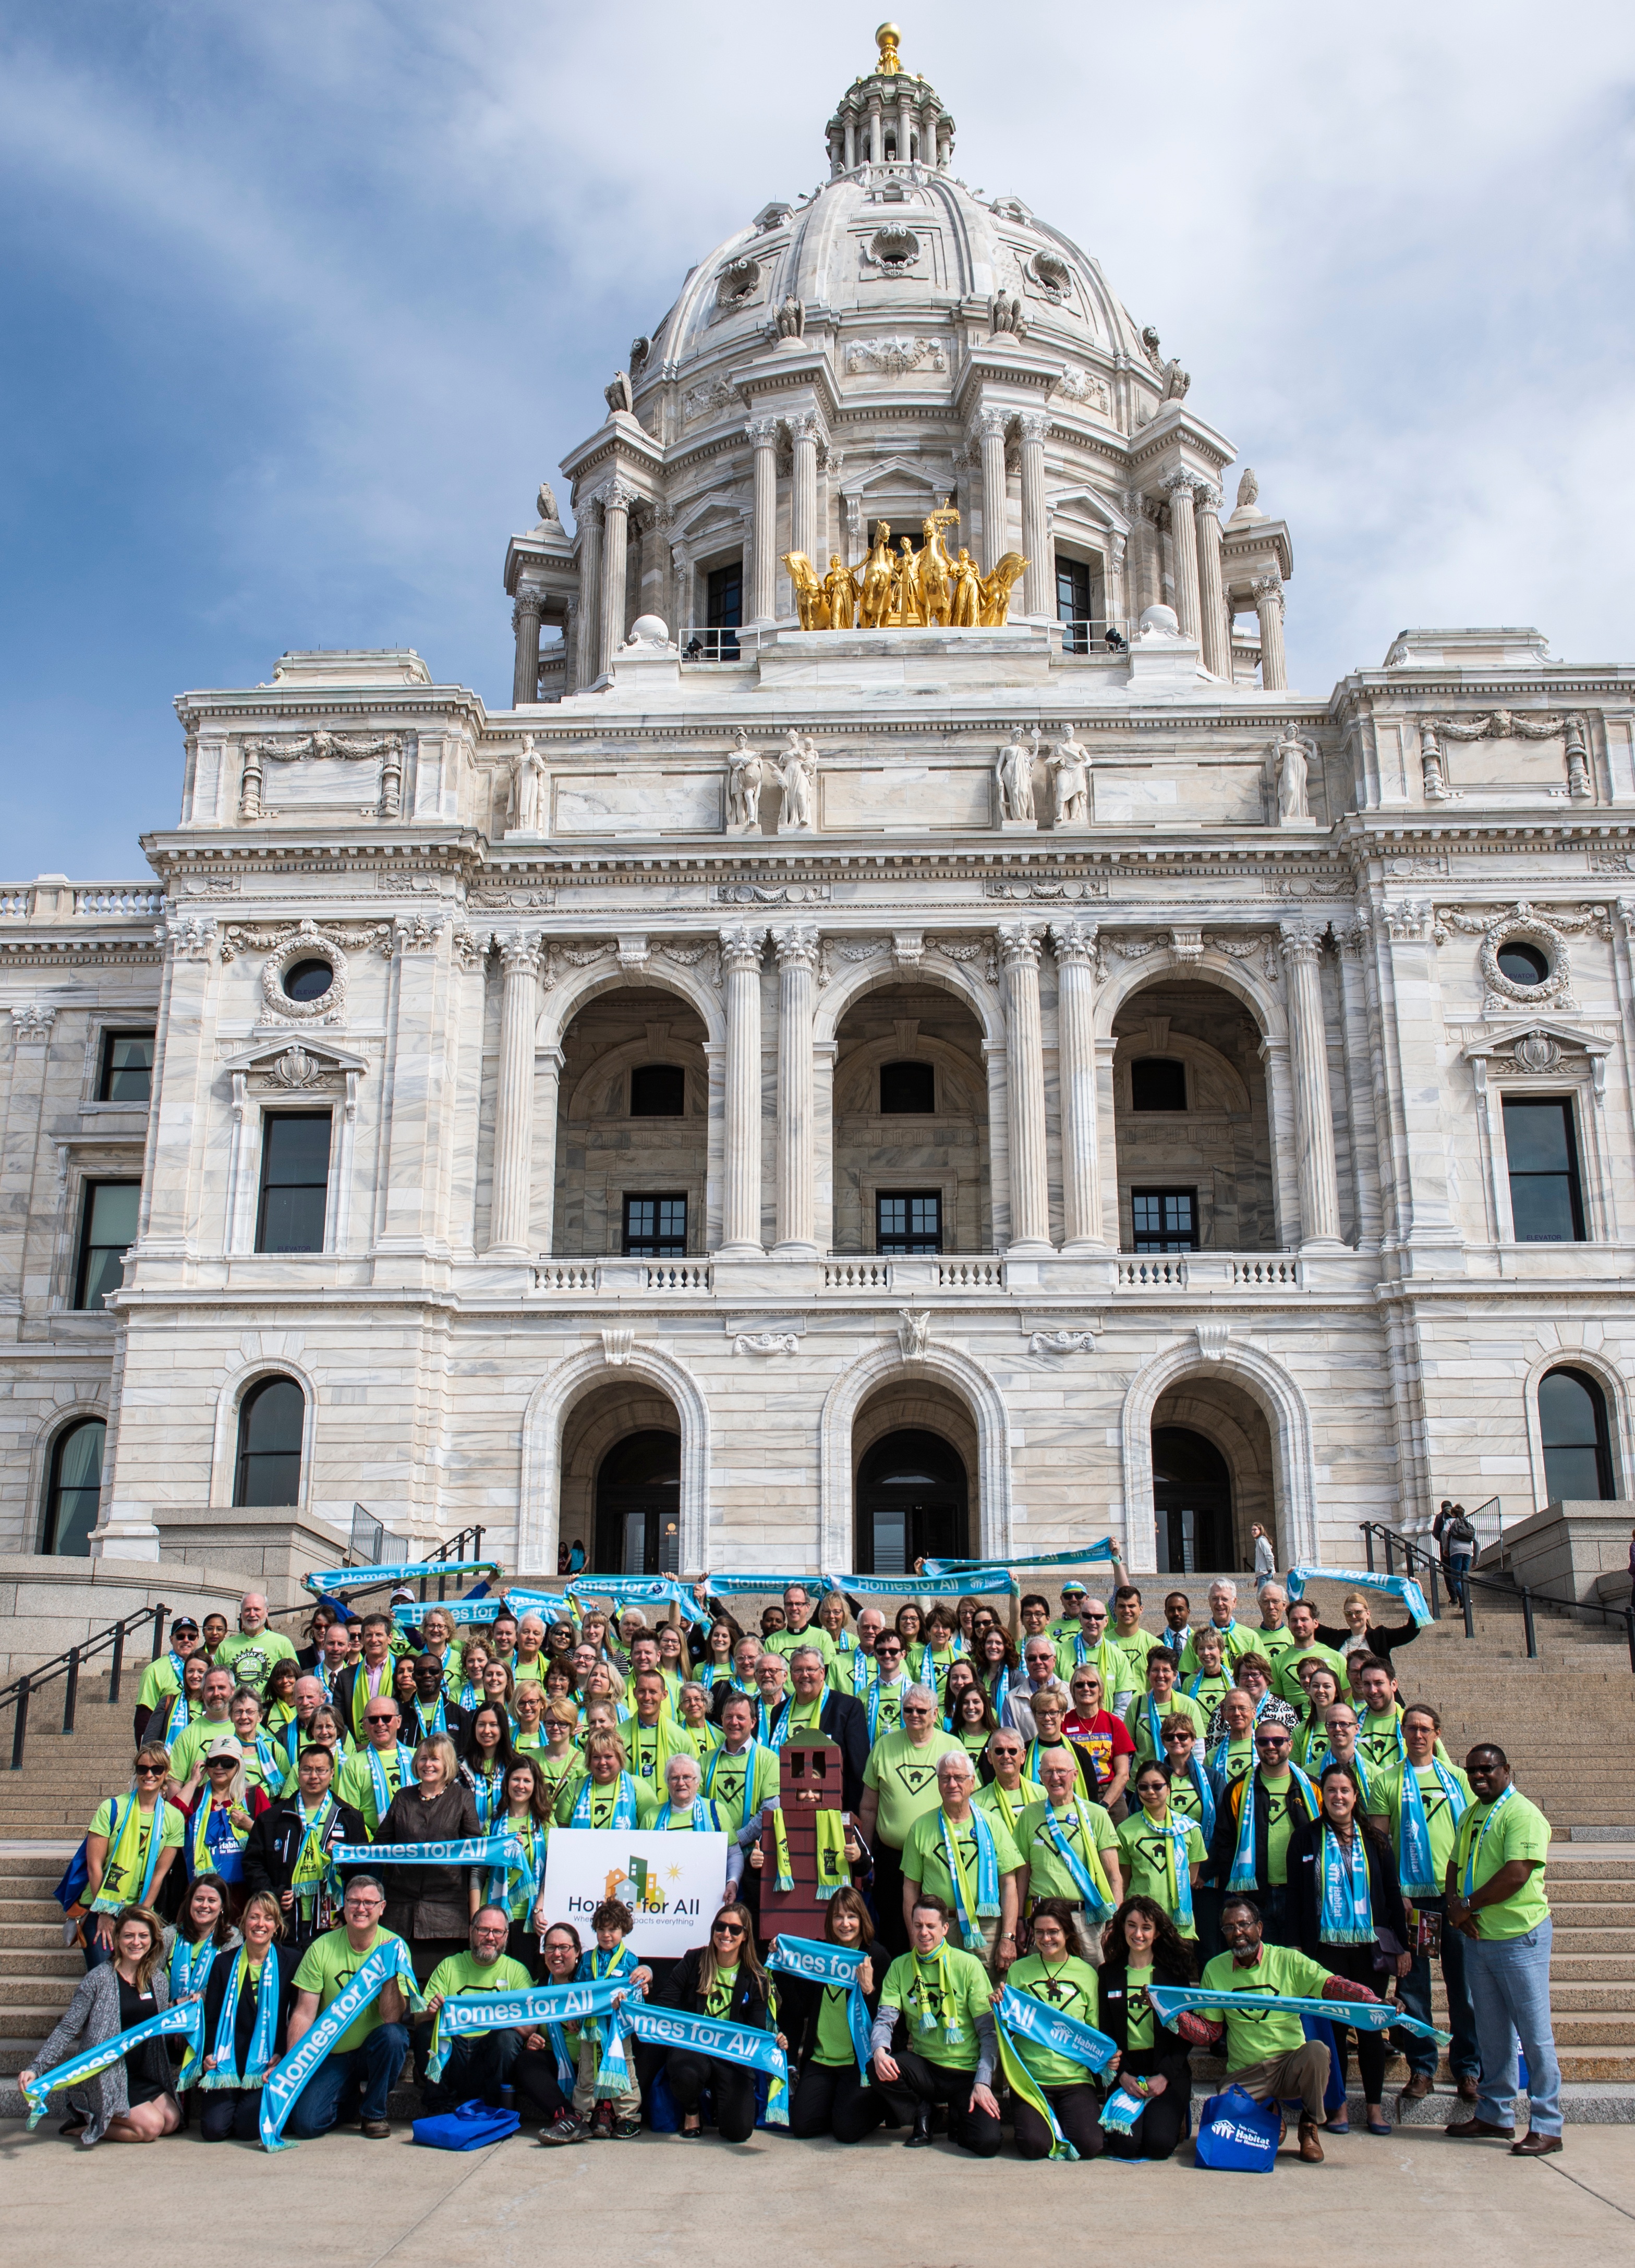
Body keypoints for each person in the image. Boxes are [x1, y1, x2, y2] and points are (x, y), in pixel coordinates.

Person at [1192, 1893, 1385, 2164]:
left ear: (1259, 1927)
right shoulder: (1214, 1969)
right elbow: (1210, 2032)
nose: (1238, 1932)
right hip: (1246, 2072)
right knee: (1224, 2113)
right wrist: (1173, 2016)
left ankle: (1309, 2126)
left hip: (1289, 2065)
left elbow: (1331, 1985)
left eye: (1244, 1924)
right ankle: (1268, 2112)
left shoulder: (1288, 1961)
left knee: (1318, 2051)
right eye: (1229, 1927)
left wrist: (1373, 2001)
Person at [1444, 1743, 1563, 2155]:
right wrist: (1453, 1908)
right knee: (1491, 2033)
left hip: (1519, 1937)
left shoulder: (1522, 1814)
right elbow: (1454, 1865)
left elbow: (1516, 1874)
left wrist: (1467, 1906)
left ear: (1506, 1770)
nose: (1478, 1776)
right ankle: (1495, 2114)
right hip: (1479, 1937)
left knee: (1533, 2034)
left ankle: (1547, 2123)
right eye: (1472, 1770)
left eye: (1487, 1769)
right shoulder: (1471, 1813)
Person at [1289, 1762, 1412, 2134]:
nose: (1337, 1797)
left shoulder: (1374, 1839)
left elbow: (1392, 1894)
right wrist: (1297, 1951)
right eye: (1330, 1791)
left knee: (1372, 2028)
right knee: (1333, 2031)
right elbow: (1296, 1898)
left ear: (1355, 1796)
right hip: (1325, 1950)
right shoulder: (1305, 1838)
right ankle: (1338, 2106)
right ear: (1321, 1796)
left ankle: (1374, 2108)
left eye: (1344, 1791)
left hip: (1369, 1950)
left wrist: (1404, 1947)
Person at [20, 1903, 183, 2146]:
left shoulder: (157, 1980)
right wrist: (36, 2068)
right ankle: (85, 2125)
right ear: (117, 1939)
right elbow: (68, 2028)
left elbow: (153, 2027)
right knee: (152, 2128)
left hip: (137, 2074)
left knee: (171, 2121)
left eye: (143, 1936)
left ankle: (108, 2119)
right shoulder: (98, 1979)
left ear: (153, 1940)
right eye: (128, 1936)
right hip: (105, 2075)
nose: (136, 1942)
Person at [1383, 1703, 1479, 2108]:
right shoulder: (1387, 1780)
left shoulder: (1458, 1779)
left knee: (1464, 1988)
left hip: (1453, 1897)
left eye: (1424, 1728)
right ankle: (1421, 2068)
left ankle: (1468, 2069)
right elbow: (1380, 1843)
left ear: (1437, 1733)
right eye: (1410, 1728)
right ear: (1401, 1733)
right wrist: (1395, 1892)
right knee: (1416, 1989)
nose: (1417, 1735)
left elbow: (1477, 1835)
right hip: (1415, 1900)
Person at [871, 1893, 1001, 2156]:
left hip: (965, 2072)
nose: (924, 1933)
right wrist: (879, 2050)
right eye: (918, 1925)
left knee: (986, 2143)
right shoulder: (899, 1967)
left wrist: (983, 2082)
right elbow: (885, 2019)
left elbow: (989, 2033)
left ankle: (957, 2115)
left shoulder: (969, 1965)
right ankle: (924, 2111)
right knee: (877, 2068)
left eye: (931, 1926)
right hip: (926, 2068)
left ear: (945, 1928)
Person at [285, 1874, 413, 2140]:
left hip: (372, 2052)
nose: (361, 1908)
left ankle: (374, 2113)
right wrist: (291, 2069)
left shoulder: (396, 1946)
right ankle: (350, 2101)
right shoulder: (321, 1947)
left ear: (382, 1907)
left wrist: (388, 1971)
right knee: (306, 2125)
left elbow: (392, 2017)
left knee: (395, 2037)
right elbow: (303, 2013)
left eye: (369, 1902)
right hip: (331, 2054)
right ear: (343, 1906)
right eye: (354, 1901)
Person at [656, 1903, 784, 2143]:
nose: (726, 1934)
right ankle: (692, 2110)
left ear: (745, 1935)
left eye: (735, 1930)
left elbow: (757, 2028)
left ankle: (718, 2099)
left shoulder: (756, 1977)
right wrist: (632, 2002)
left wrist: (775, 2038)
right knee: (685, 2076)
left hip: (732, 2056)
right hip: (692, 2047)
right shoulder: (694, 1960)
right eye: (721, 1927)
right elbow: (665, 2003)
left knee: (738, 2133)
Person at [778, 1885, 889, 2144]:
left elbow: (887, 2018)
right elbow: (799, 2008)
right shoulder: (820, 1955)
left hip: (857, 2062)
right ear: (830, 1921)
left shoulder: (876, 1956)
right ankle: (838, 2105)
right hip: (821, 2061)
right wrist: (782, 1967)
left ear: (862, 1919)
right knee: (802, 2127)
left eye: (852, 1916)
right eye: (838, 1917)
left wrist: (869, 1989)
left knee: (846, 2132)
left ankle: (880, 2105)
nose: (845, 1924)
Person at [858, 1685, 963, 1955]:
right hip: (892, 1859)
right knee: (895, 1930)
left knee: (937, 1928)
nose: (914, 1714)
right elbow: (869, 1807)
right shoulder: (884, 1746)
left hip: (940, 1856)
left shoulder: (951, 1746)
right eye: (908, 1710)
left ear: (935, 1713)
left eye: (921, 1710)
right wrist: (867, 1856)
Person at [1001, 1894, 1105, 2161]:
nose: (1046, 1939)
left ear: (1068, 1933)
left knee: (1090, 2146)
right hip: (1031, 2079)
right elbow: (1007, 2026)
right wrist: (998, 2005)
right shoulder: (1019, 1971)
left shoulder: (1087, 1974)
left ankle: (1063, 2116)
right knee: (1034, 2147)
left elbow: (1093, 2029)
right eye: (1040, 1933)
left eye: (1053, 1932)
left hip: (1074, 2079)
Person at [378, 1735, 482, 1996]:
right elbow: (379, 1847)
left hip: (447, 1918)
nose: (428, 1764)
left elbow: (477, 1855)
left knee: (435, 1996)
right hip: (400, 1914)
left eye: (434, 1758)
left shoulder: (462, 1798)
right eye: (423, 1758)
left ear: (446, 1763)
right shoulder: (403, 1798)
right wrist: (345, 1851)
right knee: (399, 1992)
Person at [1098, 1895, 1197, 2161]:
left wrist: (1164, 2076)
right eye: (1131, 1925)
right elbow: (1106, 2033)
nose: (1138, 1934)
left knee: (1158, 2146)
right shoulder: (1108, 1974)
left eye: (1146, 1927)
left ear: (1157, 1932)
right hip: (1128, 2070)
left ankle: (1173, 2120)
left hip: (1166, 2070)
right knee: (1127, 2148)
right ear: (1122, 1928)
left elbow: (1185, 2035)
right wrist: (1123, 2077)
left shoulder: (1173, 1976)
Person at [900, 1751, 1023, 1966]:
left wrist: (1008, 1938)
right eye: (945, 1778)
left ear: (973, 1781)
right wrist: (913, 1938)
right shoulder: (920, 1828)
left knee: (990, 1992)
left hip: (987, 1928)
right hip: (937, 1926)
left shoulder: (993, 1824)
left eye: (959, 1778)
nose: (952, 1784)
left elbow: (1009, 1884)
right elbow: (910, 1889)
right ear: (938, 1783)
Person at [241, 1742, 367, 1950]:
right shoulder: (273, 1819)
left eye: (321, 1770)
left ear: (332, 1773)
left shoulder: (350, 1818)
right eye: (307, 1770)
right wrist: (273, 1894)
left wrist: (348, 1911)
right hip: (284, 1923)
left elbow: (361, 1873)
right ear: (298, 1772)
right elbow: (253, 1863)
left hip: (331, 1922)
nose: (314, 1776)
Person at [196, 1890, 298, 2140]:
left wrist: (283, 2056)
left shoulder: (292, 1961)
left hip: (267, 2065)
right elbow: (211, 2017)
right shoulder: (223, 1963)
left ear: (277, 1926)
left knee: (246, 2130)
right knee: (213, 2131)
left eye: (268, 1918)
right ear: (243, 1923)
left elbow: (297, 2016)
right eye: (254, 1917)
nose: (260, 1924)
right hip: (228, 2062)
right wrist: (208, 2054)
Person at [1208, 1720, 1319, 1944]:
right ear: (1255, 1745)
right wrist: (1237, 1885)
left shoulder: (1313, 1789)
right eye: (1263, 1741)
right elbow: (1225, 1840)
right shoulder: (1238, 1789)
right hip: (1256, 1896)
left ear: (1290, 1745)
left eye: (1278, 1741)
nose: (1271, 1746)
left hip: (1300, 1894)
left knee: (1296, 1966)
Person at [419, 1906, 535, 2112]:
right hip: (453, 2055)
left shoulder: (517, 1972)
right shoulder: (449, 1966)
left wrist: (503, 2018)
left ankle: (493, 2107)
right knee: (426, 2032)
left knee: (507, 2039)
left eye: (497, 1931)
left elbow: (529, 2029)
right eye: (484, 1930)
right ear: (472, 1931)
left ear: (506, 1935)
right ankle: (438, 2107)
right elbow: (418, 2018)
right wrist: (431, 2010)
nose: (490, 1937)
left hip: (489, 2060)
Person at [82, 1744, 185, 1965]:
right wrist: (105, 1913)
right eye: (143, 1768)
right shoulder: (112, 1808)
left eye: (157, 1769)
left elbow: (159, 1874)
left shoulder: (174, 1818)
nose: (149, 1774)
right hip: (103, 1907)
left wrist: (142, 1915)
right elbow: (95, 1866)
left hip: (140, 1908)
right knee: (103, 1976)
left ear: (166, 1773)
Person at [1015, 1748, 1123, 1958]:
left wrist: (1115, 1922)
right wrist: (1019, 1920)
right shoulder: (1030, 1814)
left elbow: (1114, 1876)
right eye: (1048, 1772)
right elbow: (1022, 1874)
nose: (1055, 1778)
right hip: (1043, 1919)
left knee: (1093, 1979)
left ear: (1075, 1775)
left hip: (1087, 1918)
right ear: (1040, 1776)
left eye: (1061, 1771)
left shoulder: (1097, 1814)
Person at [1117, 1761, 1207, 1938]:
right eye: (1143, 1787)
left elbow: (1191, 1878)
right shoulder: (1126, 1829)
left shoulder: (1189, 1829)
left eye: (1157, 1786)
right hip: (1139, 1927)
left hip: (1179, 1926)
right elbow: (1124, 1882)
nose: (1150, 1792)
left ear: (1169, 1788)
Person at [768, 1645, 868, 1804]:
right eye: (798, 1670)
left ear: (822, 1673)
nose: (804, 1675)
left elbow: (858, 1770)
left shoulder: (847, 1708)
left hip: (833, 1807)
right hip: (786, 1805)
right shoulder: (778, 1712)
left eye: (811, 1669)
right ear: (791, 1675)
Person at [483, 1756, 554, 1974]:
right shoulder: (492, 1824)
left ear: (535, 1786)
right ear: (507, 1783)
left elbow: (552, 1870)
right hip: (498, 1915)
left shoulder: (545, 1824)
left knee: (527, 1978)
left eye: (527, 1781)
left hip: (530, 1917)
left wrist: (539, 1907)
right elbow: (481, 1870)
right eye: (516, 1779)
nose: (521, 1786)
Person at [181, 1738, 269, 1912]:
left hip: (243, 1897)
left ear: (239, 1765)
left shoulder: (253, 1795)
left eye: (227, 1763)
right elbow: (172, 1820)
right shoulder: (197, 1797)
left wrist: (250, 1826)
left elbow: (273, 1841)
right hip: (202, 1898)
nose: (219, 1767)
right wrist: (192, 1782)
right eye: (213, 1762)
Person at [335, 1694, 418, 1832]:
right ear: (365, 1726)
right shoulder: (353, 1765)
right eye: (373, 1720)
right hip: (375, 1849)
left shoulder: (418, 1757)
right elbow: (350, 1816)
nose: (380, 1724)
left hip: (417, 1844)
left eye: (386, 1718)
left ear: (398, 1722)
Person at [1061, 1664, 1134, 1809]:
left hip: (1110, 1794)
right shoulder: (1063, 1723)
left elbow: (1123, 1774)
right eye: (1080, 1685)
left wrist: (1105, 1805)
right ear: (1073, 1692)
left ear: (1100, 1691)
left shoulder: (1114, 1724)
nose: (1086, 1688)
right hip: (1075, 1793)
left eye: (1092, 1684)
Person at [162, 1871, 237, 2008]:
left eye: (212, 1901)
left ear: (222, 1907)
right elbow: (151, 1978)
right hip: (166, 2016)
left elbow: (227, 1983)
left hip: (208, 2019)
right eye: (199, 1899)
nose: (204, 1905)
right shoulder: (168, 1936)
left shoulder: (232, 1938)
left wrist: (188, 2001)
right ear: (190, 1902)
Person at [1127, 1648, 1208, 1765]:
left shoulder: (1188, 1705)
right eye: (1155, 1670)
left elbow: (1198, 1751)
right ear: (1148, 1674)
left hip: (1178, 1779)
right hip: (1142, 1780)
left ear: (1175, 1675)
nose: (1160, 1675)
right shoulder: (1136, 1705)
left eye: (1166, 1670)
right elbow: (1127, 1751)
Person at [166, 1665, 237, 1794]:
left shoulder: (247, 1728)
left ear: (233, 1690)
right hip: (197, 1812)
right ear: (203, 1693)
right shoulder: (188, 1735)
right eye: (210, 1689)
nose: (216, 1694)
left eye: (221, 1688)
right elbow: (174, 1783)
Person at [213, 1591, 299, 1697]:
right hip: (236, 1709)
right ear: (241, 1613)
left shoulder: (283, 1643)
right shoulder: (225, 1646)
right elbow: (215, 1681)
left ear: (267, 1611)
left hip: (271, 1708)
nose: (252, 1614)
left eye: (257, 1609)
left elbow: (296, 1680)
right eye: (247, 1610)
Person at [557, 1731, 649, 1828]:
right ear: (589, 1760)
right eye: (596, 1757)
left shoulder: (638, 1787)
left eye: (608, 1757)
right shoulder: (574, 1789)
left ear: (620, 1757)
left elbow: (652, 1829)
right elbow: (560, 1834)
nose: (602, 1762)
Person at [132, 1614, 202, 1743]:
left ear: (197, 1639)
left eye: (191, 1637)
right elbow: (144, 1717)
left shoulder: (206, 1668)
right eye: (180, 1636)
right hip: (167, 1746)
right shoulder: (154, 1670)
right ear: (171, 1639)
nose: (186, 1640)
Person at [332, 1614, 399, 1744]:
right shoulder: (346, 1677)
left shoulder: (402, 1669)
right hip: (357, 1752)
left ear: (390, 1638)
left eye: (379, 1635)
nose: (374, 1640)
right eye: (369, 1635)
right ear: (362, 1639)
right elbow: (339, 1722)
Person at [1314, 1590, 1421, 1668]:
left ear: (1368, 1614)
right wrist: (1297, 1591)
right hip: (1346, 1696)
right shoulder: (1337, 1637)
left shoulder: (1380, 1636)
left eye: (1358, 1612)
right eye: (1348, 1613)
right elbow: (1310, 1625)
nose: (1353, 1617)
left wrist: (1417, 1598)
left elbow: (1410, 1631)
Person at [1271, 1601, 1348, 1705]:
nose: (1299, 1625)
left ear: (1316, 1623)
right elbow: (1278, 1702)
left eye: (1304, 1620)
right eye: (1294, 1620)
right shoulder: (1277, 1662)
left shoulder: (1336, 1657)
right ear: (1289, 1625)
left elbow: (1346, 1697)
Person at [458, 1701, 516, 1830]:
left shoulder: (516, 1766)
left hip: (505, 1839)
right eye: (481, 1725)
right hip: (468, 1841)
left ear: (503, 1728)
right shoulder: (459, 1766)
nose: (487, 1731)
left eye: (493, 1725)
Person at [1179, 1580, 1255, 1674]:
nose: (1220, 1603)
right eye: (1215, 1598)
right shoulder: (1195, 1638)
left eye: (1225, 1599)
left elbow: (1260, 1675)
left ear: (1234, 1602)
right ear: (1209, 1601)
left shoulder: (1251, 1637)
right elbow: (1186, 1676)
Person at [404, 1651, 470, 1747]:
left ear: (442, 1675)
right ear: (414, 1677)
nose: (427, 1675)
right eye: (421, 1672)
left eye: (433, 1671)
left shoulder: (460, 1715)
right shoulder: (400, 1714)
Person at [1003, 1633, 1064, 1737]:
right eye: (1032, 1658)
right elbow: (1009, 1740)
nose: (1038, 1662)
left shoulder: (1071, 1692)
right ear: (1026, 1662)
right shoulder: (1012, 1700)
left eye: (1044, 1657)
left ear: (1054, 1660)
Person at [858, 1626, 913, 1740]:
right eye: (882, 1651)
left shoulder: (916, 1693)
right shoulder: (862, 1696)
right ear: (875, 1655)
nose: (887, 1655)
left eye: (893, 1651)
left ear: (903, 1654)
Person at [1434, 1502, 1477, 1609]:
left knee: (1454, 1577)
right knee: (1464, 1576)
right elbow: (1477, 1541)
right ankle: (1464, 1600)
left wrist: (1445, 1547)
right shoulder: (1466, 1523)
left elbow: (1441, 1532)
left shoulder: (1446, 1519)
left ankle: (1461, 1597)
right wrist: (1476, 1559)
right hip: (1468, 1552)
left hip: (1454, 1551)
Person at [950, 1681, 999, 1761]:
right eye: (965, 1703)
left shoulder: (996, 1739)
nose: (971, 1707)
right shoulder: (952, 1738)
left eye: (976, 1702)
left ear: (985, 1705)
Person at [1254, 1581, 1295, 1659]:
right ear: (1260, 1605)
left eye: (1275, 1601)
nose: (1271, 1607)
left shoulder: (1294, 1636)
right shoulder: (1252, 1637)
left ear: (1284, 1605)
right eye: (1266, 1602)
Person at [1252, 1523, 1277, 1587]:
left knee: (1262, 1596)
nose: (1253, 1532)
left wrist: (1270, 1569)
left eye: (1255, 1530)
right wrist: (1258, 1578)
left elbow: (1269, 1555)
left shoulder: (1261, 1540)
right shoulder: (1258, 1541)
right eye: (1252, 1530)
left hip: (1265, 1573)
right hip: (1262, 1574)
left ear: (1260, 1530)